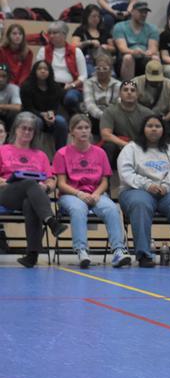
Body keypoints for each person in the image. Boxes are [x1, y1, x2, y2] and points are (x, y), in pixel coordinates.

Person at [53, 114, 130, 269]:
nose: (83, 131)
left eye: (86, 128)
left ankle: (118, 251)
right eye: (79, 128)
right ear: (71, 132)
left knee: (112, 209)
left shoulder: (100, 153)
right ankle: (82, 251)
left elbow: (104, 181)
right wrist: (79, 194)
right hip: (71, 194)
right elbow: (61, 184)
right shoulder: (61, 153)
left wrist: (96, 194)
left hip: (96, 193)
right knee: (78, 208)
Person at [117, 114, 170, 268]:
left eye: (157, 126)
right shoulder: (130, 149)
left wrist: (166, 185)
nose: (154, 129)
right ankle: (144, 255)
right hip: (136, 189)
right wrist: (147, 185)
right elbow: (126, 173)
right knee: (140, 204)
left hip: (166, 191)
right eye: (150, 126)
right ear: (143, 129)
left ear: (163, 130)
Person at [0, 112, 67, 267]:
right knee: (30, 183)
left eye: (31, 130)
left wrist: (47, 186)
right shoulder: (3, 150)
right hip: (5, 193)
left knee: (30, 202)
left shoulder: (41, 155)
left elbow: (51, 179)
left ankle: (32, 255)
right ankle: (51, 222)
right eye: (24, 128)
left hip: (32, 195)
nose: (27, 132)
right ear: (16, 129)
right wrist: (7, 182)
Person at [134, 59, 170, 151]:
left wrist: (162, 121)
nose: (155, 82)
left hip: (163, 119)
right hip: (140, 119)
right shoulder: (135, 83)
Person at [99, 80, 154, 166]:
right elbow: (106, 135)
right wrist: (127, 145)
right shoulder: (110, 111)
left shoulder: (147, 113)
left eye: (132, 90)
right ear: (119, 94)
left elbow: (154, 135)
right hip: (119, 147)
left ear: (137, 95)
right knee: (108, 146)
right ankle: (106, 178)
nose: (129, 92)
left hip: (140, 149)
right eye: (125, 90)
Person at [42, 21, 87, 115]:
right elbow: (37, 71)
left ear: (64, 34)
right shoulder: (43, 51)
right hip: (50, 86)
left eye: (55, 33)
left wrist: (72, 85)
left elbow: (83, 76)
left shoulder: (76, 51)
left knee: (70, 98)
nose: (51, 36)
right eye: (49, 33)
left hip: (71, 87)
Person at [20, 60, 67, 150]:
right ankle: (32, 151)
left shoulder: (56, 87)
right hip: (32, 115)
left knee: (61, 122)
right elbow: (27, 108)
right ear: (34, 71)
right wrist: (42, 114)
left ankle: (61, 153)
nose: (43, 71)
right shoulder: (26, 86)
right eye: (39, 69)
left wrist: (51, 114)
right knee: (37, 122)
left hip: (49, 117)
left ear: (50, 72)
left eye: (45, 69)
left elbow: (56, 106)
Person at [112, 2, 159, 81]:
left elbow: (153, 48)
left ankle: (153, 89)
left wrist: (148, 52)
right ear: (132, 12)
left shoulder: (152, 28)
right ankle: (128, 88)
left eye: (145, 12)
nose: (144, 15)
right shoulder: (120, 26)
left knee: (155, 59)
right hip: (126, 59)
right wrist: (133, 51)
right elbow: (122, 48)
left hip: (144, 57)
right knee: (128, 57)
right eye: (141, 12)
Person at [70, 4, 115, 75]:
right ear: (87, 17)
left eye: (98, 16)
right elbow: (73, 46)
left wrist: (107, 47)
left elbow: (113, 48)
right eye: (93, 16)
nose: (96, 19)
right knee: (92, 74)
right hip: (87, 61)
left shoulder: (104, 30)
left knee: (112, 75)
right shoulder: (80, 30)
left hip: (104, 60)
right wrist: (88, 42)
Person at [82, 53, 121, 134]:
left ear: (110, 69)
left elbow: (118, 104)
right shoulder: (88, 83)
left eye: (105, 68)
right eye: (98, 68)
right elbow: (90, 105)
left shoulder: (118, 84)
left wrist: (110, 117)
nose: (101, 71)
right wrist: (104, 116)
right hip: (94, 118)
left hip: (113, 119)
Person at [0, 63, 21, 129]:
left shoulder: (14, 88)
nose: (1, 79)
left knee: (16, 113)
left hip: (7, 117)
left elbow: (19, 107)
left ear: (8, 77)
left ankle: (11, 136)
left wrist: (2, 106)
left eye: (4, 76)